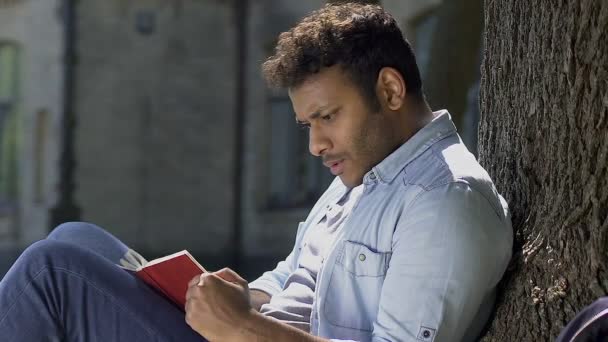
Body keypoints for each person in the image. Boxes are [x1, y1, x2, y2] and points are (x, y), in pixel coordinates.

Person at [0, 3, 512, 341]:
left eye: (328, 118)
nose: (315, 145)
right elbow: (290, 277)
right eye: (306, 124)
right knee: (79, 238)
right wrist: (241, 296)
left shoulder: (446, 202)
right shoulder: (357, 180)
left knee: (53, 272)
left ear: (390, 91)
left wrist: (242, 327)